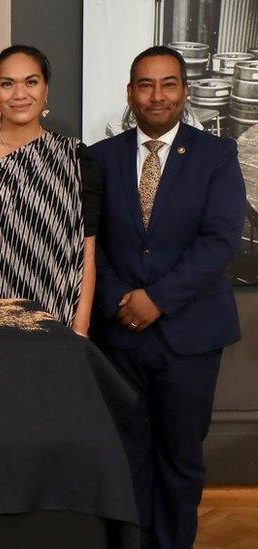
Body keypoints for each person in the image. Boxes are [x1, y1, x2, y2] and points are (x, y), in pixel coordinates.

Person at [90, 46, 245, 549]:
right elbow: (91, 241)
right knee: (127, 454)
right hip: (120, 335)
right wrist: (119, 298)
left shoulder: (216, 155)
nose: (157, 95)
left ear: (184, 90)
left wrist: (156, 299)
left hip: (190, 334)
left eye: (168, 83)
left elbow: (220, 240)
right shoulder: (101, 157)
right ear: (131, 93)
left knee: (180, 457)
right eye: (145, 84)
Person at [0, 45, 101, 335]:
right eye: (7, 83)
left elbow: (87, 250)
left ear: (46, 88)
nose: (19, 94)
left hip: (53, 316)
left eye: (31, 82)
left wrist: (80, 329)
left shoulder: (75, 158)